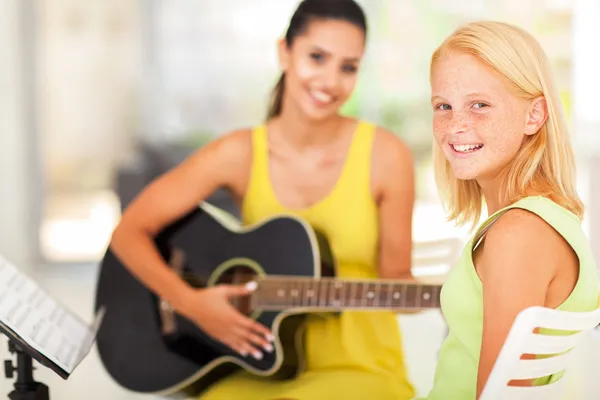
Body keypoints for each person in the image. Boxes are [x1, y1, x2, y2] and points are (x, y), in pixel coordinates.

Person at [109, 0, 417, 399]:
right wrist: (192, 304)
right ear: (284, 52)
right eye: (317, 57)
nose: (330, 80)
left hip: (362, 368)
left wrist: (446, 295)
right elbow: (129, 232)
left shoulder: (387, 156)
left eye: (348, 67)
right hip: (260, 365)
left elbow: (397, 283)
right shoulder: (239, 153)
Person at [423, 20, 600, 399]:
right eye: (443, 106)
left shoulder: (518, 233)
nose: (455, 125)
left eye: (480, 105)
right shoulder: (548, 220)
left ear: (534, 115)